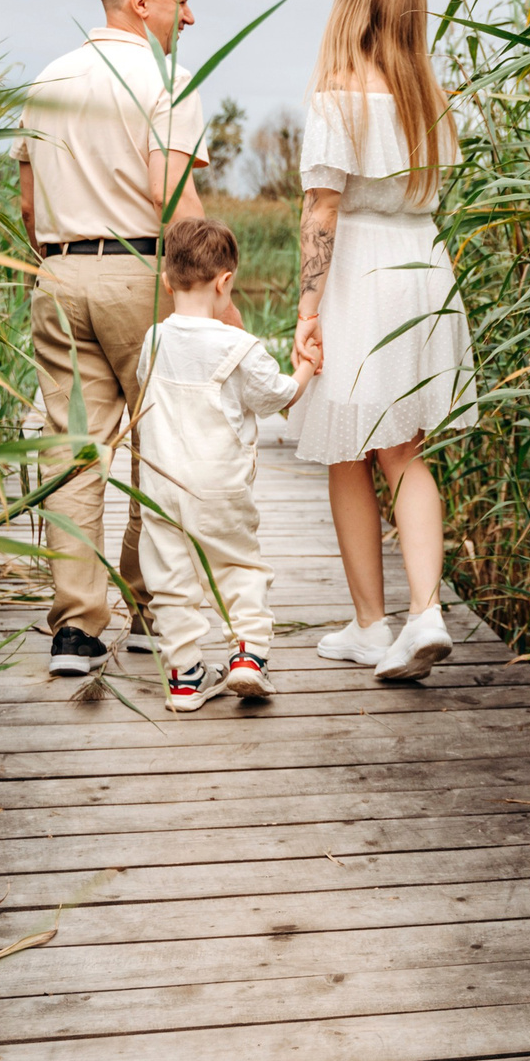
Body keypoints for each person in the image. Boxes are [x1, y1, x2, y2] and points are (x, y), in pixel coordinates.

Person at [19, 0, 231, 679]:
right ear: (141, 0)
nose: (191, 18)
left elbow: (28, 202)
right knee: (160, 445)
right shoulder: (163, 78)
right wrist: (221, 308)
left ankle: (75, 632)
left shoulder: (48, 76)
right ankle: (147, 613)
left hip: (57, 273)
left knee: (74, 449)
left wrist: (53, 268)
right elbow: (172, 200)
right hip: (139, 273)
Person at [290, 0, 473, 682]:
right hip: (424, 271)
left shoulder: (338, 92)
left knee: (347, 450)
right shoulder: (432, 96)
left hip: (361, 274)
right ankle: (425, 609)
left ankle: (372, 623)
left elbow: (322, 207)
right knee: (406, 451)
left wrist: (307, 309)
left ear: (354, 4)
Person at [129, 216, 317, 708]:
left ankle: (186, 676)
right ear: (225, 281)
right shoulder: (240, 347)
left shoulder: (153, 339)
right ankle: (248, 656)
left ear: (167, 281)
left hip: (162, 485)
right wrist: (307, 368)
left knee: (169, 580)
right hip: (220, 487)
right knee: (238, 566)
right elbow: (278, 397)